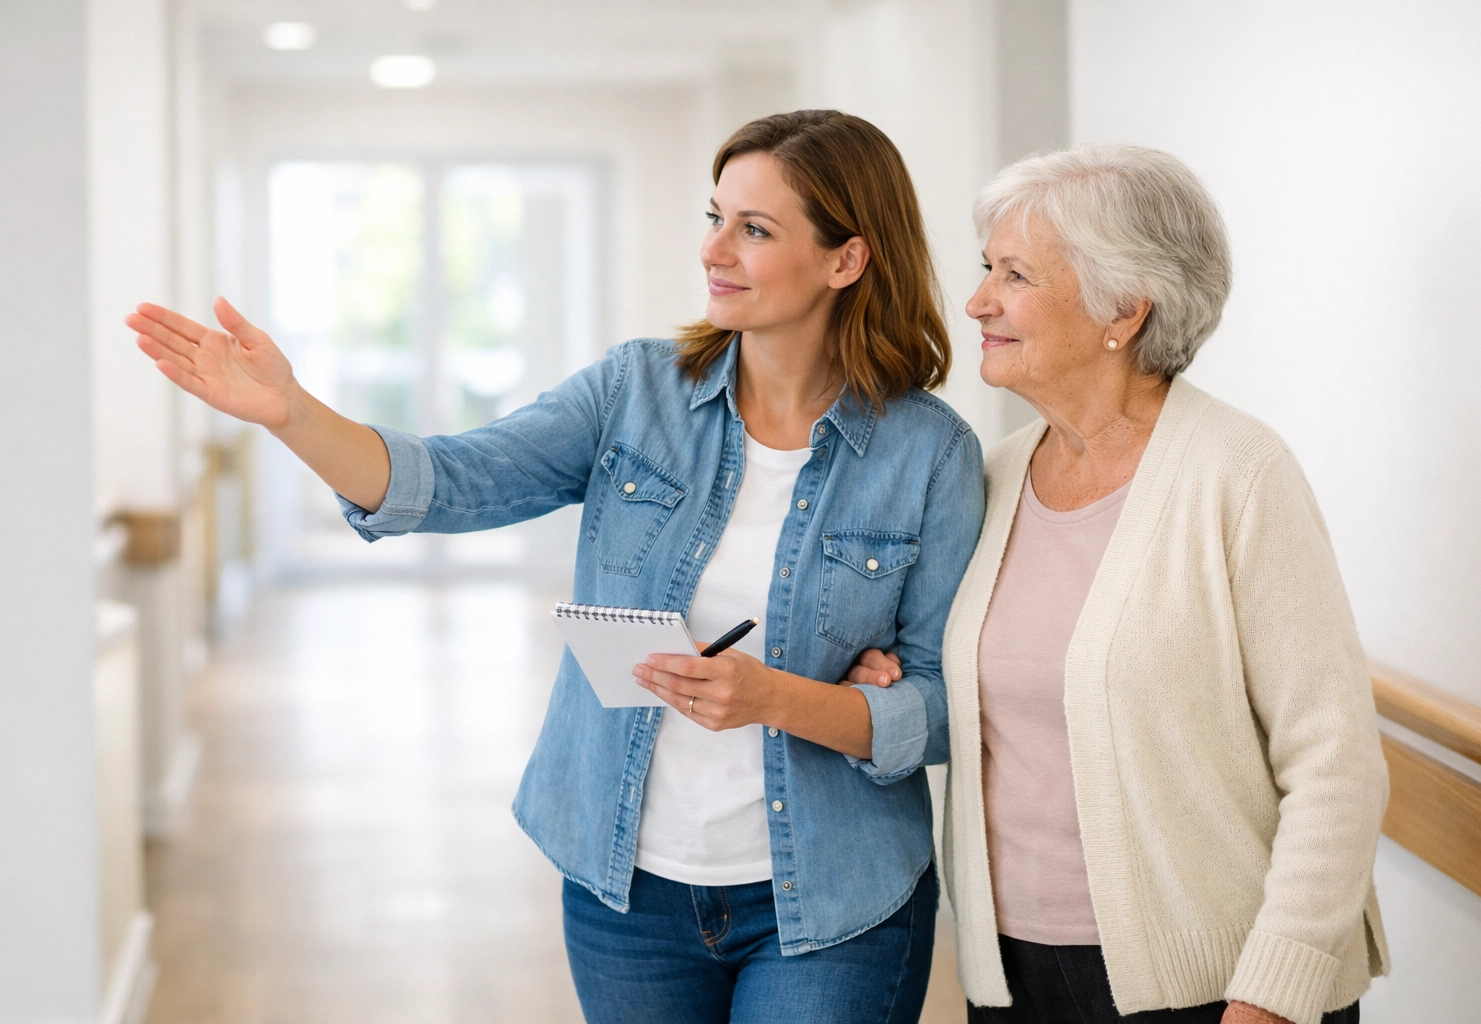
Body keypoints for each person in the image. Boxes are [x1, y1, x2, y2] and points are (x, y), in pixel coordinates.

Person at [127, 110, 984, 1024]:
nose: (714, 249)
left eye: (756, 229)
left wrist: (782, 698)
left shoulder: (929, 457)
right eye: (714, 216)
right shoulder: (633, 393)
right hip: (627, 892)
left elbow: (943, 708)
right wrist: (290, 412)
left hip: (833, 901)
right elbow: (456, 479)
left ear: (845, 260)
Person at [847, 144, 1389, 1024]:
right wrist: (909, 682)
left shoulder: (1238, 475)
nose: (979, 300)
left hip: (1216, 988)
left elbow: (1335, 762)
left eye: (1015, 275)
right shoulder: (989, 478)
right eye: (988, 269)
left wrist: (1273, 994)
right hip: (1013, 975)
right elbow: (1011, 694)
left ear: (1124, 311)